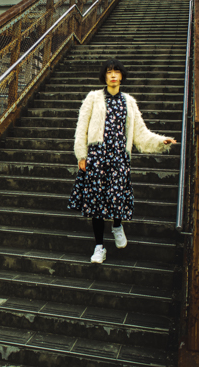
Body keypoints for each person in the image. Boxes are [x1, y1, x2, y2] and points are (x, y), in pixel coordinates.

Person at [67, 59, 177, 263]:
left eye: (116, 72)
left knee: (117, 194)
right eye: (109, 72)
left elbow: (140, 133)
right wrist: (81, 155)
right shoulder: (93, 98)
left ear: (122, 76)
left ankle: (117, 225)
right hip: (97, 156)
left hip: (119, 156)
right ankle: (99, 247)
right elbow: (81, 127)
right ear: (104, 76)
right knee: (97, 202)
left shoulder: (129, 102)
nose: (113, 75)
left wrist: (161, 141)